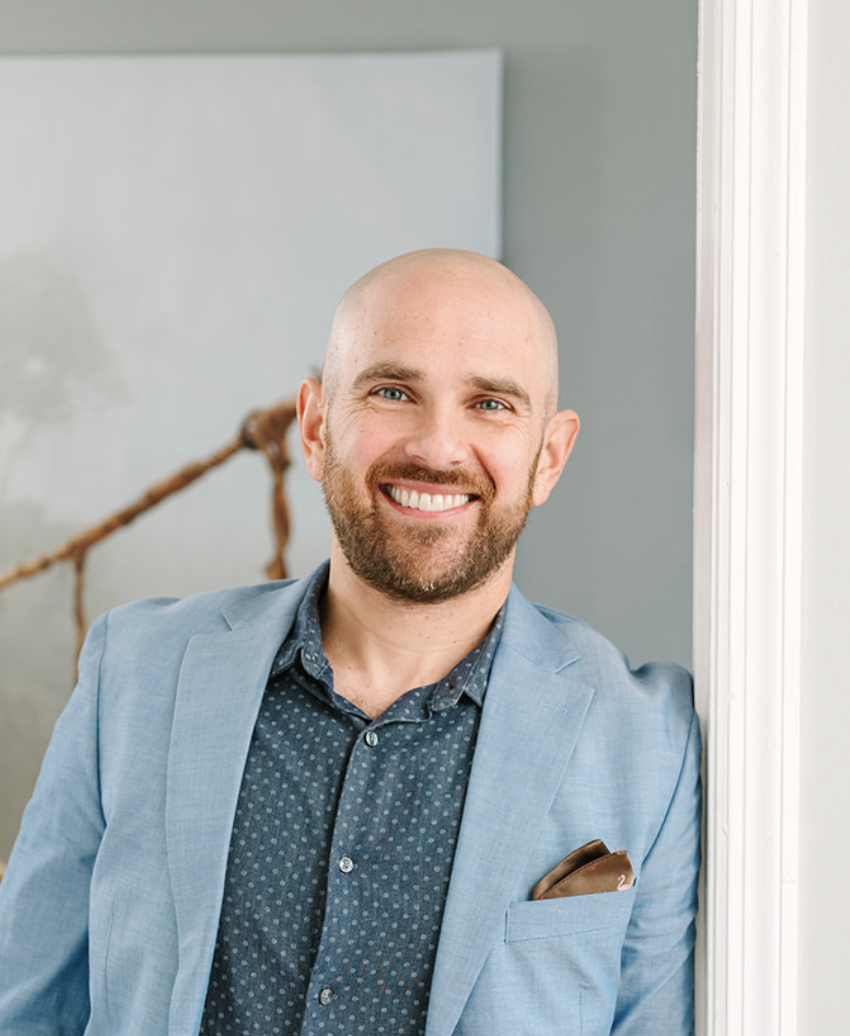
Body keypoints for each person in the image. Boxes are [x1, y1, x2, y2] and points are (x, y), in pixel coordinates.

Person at [0, 248, 701, 1035]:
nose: (437, 447)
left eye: (490, 404)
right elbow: (23, 1009)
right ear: (315, 428)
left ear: (550, 457)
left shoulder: (654, 740)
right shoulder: (133, 672)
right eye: (393, 392)